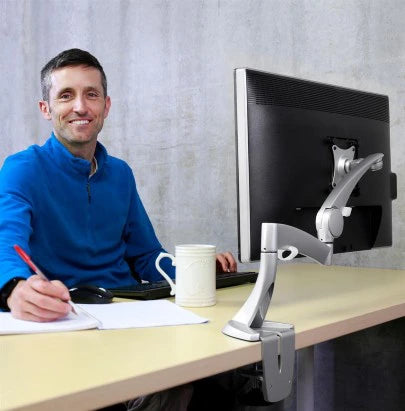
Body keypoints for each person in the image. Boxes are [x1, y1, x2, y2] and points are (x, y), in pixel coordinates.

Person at [0, 48, 237, 324]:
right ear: (45, 109)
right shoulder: (22, 169)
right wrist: (14, 288)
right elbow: (5, 244)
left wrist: (197, 269)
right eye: (66, 95)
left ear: (106, 105)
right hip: (66, 315)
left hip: (130, 310)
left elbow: (148, 256)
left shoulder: (121, 174)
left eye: (91, 94)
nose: (80, 106)